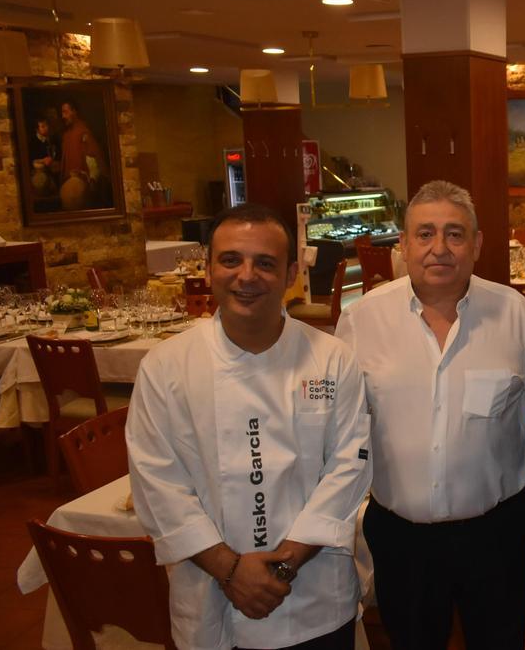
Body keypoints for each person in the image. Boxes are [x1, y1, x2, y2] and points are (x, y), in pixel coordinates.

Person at [127, 203, 371, 650]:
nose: (247, 276)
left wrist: (283, 566)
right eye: (231, 259)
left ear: (291, 273)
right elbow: (156, 481)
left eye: (265, 263)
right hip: (214, 602)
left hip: (313, 597)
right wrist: (230, 569)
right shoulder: (166, 367)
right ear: (208, 267)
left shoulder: (331, 359)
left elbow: (349, 467)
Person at [335, 179, 525, 650]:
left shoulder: (515, 316)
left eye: (454, 234)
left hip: (496, 535)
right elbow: (339, 432)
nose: (440, 248)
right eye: (425, 233)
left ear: (476, 245)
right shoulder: (361, 320)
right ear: (403, 244)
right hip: (401, 539)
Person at [59, 100, 106, 205]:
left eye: (65, 112)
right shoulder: (66, 135)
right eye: (62, 113)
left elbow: (93, 157)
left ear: (74, 112)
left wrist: (92, 179)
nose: (63, 116)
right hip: (68, 188)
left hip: (82, 189)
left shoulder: (83, 132)